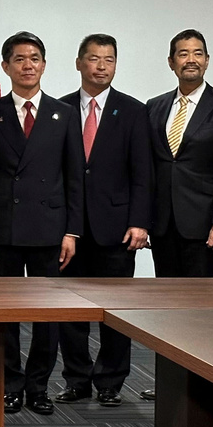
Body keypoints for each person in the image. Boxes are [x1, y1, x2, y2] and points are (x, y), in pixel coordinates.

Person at [0, 31, 84, 416]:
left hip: (50, 229)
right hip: (4, 228)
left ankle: (38, 386)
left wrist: (71, 231)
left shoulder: (64, 114)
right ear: (6, 67)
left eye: (35, 58)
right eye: (19, 59)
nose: (28, 65)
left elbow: (74, 177)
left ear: (45, 65)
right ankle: (11, 384)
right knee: (7, 312)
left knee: (46, 313)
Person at [142, 29, 213, 400]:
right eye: (182, 53)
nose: (191, 59)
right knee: (168, 308)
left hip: (206, 226)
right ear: (171, 62)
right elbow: (150, 169)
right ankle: (169, 381)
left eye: (198, 53)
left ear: (207, 60)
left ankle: (204, 383)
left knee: (203, 309)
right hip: (164, 223)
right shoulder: (154, 106)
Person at [56, 34, 152, 407]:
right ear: (79, 63)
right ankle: (76, 380)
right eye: (94, 59)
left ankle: (111, 381)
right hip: (70, 229)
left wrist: (140, 221)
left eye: (109, 60)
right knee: (70, 312)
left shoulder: (133, 110)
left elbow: (142, 172)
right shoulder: (60, 109)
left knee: (115, 311)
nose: (101, 66)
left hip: (117, 227)